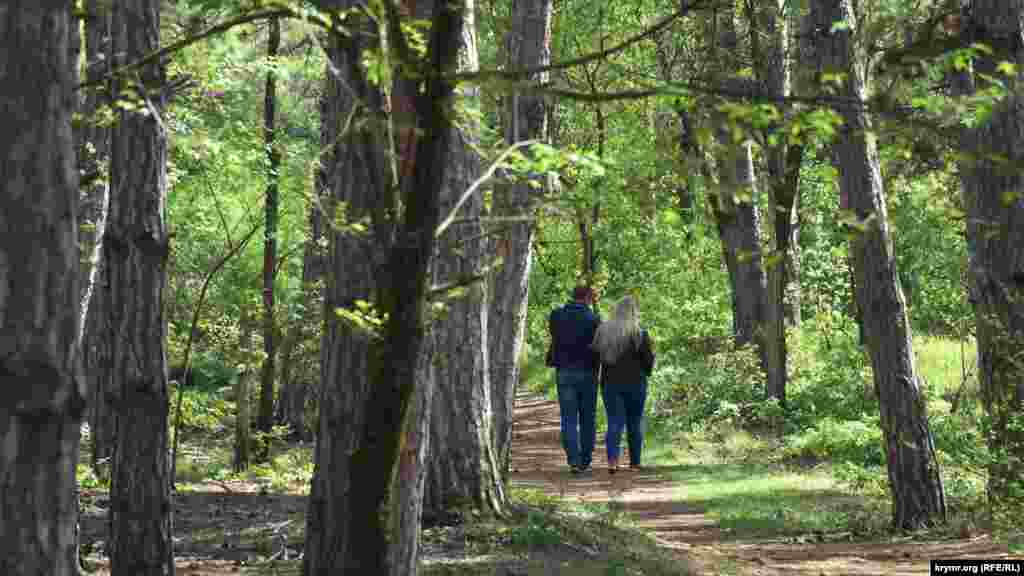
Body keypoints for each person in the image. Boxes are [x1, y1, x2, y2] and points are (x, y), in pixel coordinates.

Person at [592, 295, 655, 474]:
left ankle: (613, 462)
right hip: (636, 383)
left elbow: (596, 356)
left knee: (614, 422)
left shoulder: (604, 332)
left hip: (611, 383)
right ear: (634, 312)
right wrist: (647, 370)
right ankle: (635, 462)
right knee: (634, 422)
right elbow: (648, 361)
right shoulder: (640, 334)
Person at [548, 285, 601, 475]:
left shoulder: (557, 315)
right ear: (587, 298)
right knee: (588, 418)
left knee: (568, 418)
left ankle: (573, 460)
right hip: (588, 372)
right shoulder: (594, 318)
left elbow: (554, 335)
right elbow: (599, 344)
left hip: (564, 371)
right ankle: (585, 459)